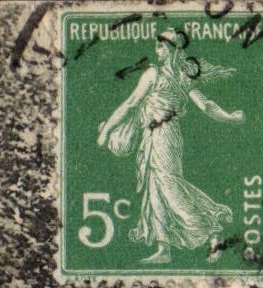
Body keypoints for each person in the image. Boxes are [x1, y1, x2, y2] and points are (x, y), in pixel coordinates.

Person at [97, 28, 243, 265]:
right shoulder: (158, 73)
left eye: (162, 46)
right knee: (155, 189)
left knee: (169, 187)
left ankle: (211, 230)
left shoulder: (171, 76)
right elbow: (132, 103)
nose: (158, 50)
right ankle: (164, 248)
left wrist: (229, 117)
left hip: (165, 136)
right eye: (157, 46)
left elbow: (204, 105)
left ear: (174, 50)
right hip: (152, 136)